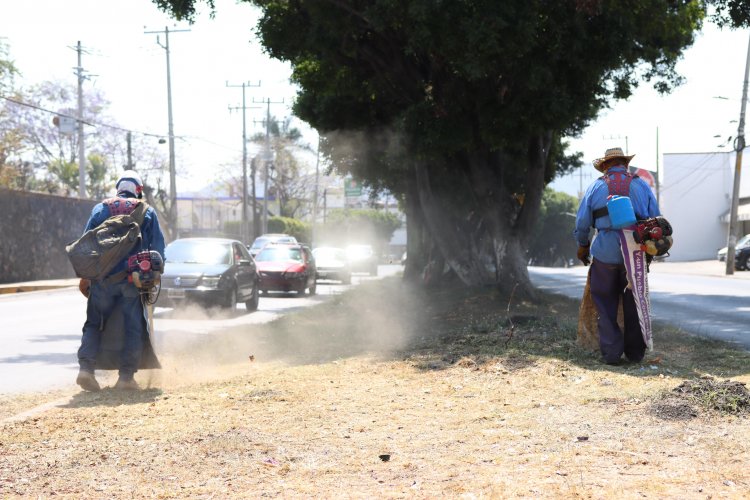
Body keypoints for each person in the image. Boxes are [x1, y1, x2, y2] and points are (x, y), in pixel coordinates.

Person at [76, 170, 165, 391]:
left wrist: (86, 278)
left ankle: (86, 370)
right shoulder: (147, 211)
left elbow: (85, 247)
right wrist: (154, 274)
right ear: (139, 190)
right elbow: (159, 250)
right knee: (133, 327)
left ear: (118, 188)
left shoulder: (100, 209)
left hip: (102, 281)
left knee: (94, 324)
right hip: (132, 282)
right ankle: (126, 378)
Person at [574, 147, 660, 365]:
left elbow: (582, 223)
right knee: (634, 303)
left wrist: (583, 246)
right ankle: (635, 354)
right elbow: (656, 218)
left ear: (605, 167)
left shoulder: (596, 186)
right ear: (625, 164)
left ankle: (612, 354)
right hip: (635, 252)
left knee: (605, 304)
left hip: (605, 254)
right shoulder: (641, 184)